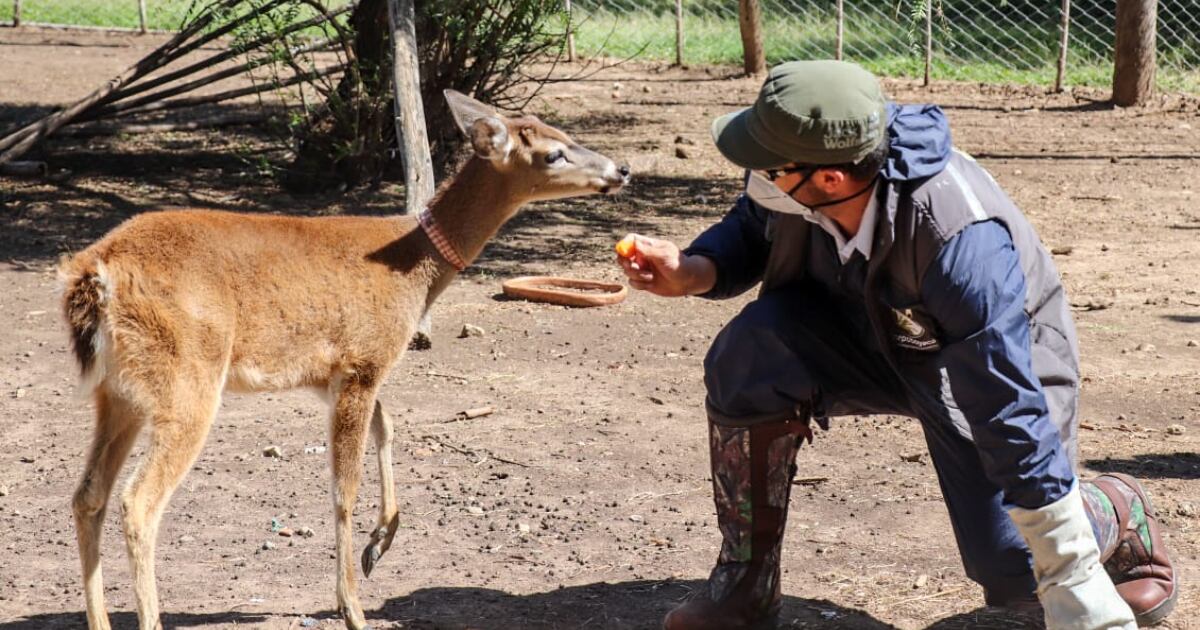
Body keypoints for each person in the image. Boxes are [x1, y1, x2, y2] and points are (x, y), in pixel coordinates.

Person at [616, 60, 1177, 630]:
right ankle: (744, 588)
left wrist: (1071, 572)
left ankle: (1116, 506)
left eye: (766, 164)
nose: (754, 171)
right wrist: (696, 269)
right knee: (751, 352)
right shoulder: (805, 168)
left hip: (981, 362)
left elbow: (1005, 403)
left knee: (1013, 563)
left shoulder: (961, 243)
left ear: (829, 180)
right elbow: (754, 222)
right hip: (857, 330)